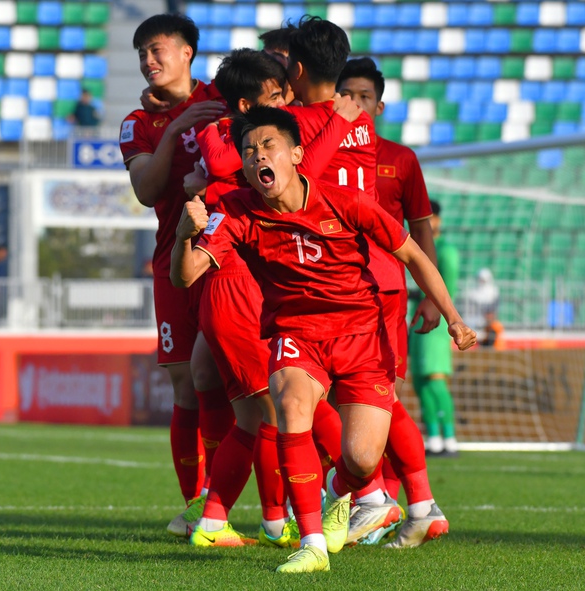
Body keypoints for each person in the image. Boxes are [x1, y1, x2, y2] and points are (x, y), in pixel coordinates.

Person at [170, 106, 476, 573]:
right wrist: (183, 237)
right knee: (290, 404)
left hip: (359, 335)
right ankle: (311, 544)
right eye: (248, 152)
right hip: (296, 335)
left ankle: (338, 493)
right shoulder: (232, 211)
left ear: (296, 154)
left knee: (360, 457)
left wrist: (453, 318)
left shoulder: (344, 201)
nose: (257, 158)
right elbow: (186, 276)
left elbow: (412, 253)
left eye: (267, 146)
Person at [182, 48, 365, 549]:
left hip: (229, 289)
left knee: (255, 415)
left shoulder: (232, 149)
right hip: (237, 288)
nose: (285, 102)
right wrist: (337, 123)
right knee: (290, 405)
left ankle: (221, 520)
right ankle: (365, 494)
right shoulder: (242, 150)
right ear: (247, 109)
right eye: (275, 94)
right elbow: (310, 157)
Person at [119, 13, 233, 538]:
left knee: (251, 385)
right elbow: (146, 190)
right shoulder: (136, 124)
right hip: (174, 263)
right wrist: (178, 134)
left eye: (158, 49)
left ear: (187, 51)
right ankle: (198, 504)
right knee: (187, 385)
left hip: (231, 260)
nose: (148, 61)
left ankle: (279, 506)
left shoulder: (225, 97)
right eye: (142, 52)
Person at [336, 56, 451, 548]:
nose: (356, 103)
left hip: (380, 290)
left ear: (378, 105)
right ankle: (406, 503)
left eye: (365, 96)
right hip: (330, 287)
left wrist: (430, 294)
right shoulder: (317, 151)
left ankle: (376, 499)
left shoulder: (400, 158)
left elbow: (421, 228)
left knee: (372, 395)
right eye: (349, 94)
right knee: (354, 399)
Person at [408, 201, 460, 457]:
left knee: (435, 380)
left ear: (438, 220)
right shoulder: (417, 246)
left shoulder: (446, 251)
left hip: (436, 323)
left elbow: (446, 290)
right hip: (417, 318)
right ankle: (434, 437)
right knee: (419, 383)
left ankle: (449, 437)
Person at [466, 268, 504, 348]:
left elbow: (493, 311)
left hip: (488, 325)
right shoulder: (473, 294)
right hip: (475, 323)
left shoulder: (494, 292)